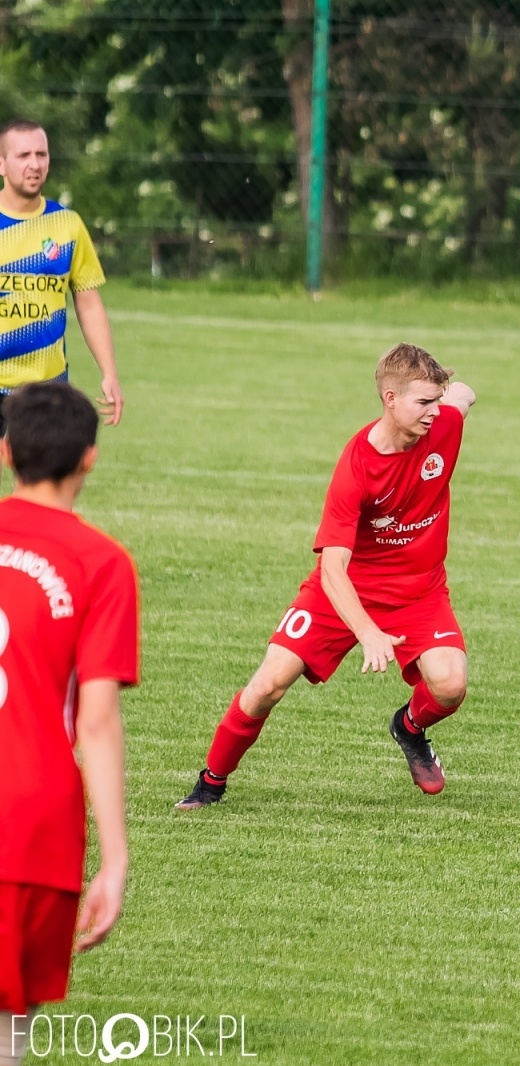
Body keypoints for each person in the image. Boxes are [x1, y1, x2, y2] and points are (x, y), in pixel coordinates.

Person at [175, 344, 475, 809]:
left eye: (438, 400)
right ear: (389, 399)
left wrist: (450, 392)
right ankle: (211, 783)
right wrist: (368, 632)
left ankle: (409, 727)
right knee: (267, 686)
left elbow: (464, 395)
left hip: (419, 592)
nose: (435, 412)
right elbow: (333, 569)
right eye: (423, 403)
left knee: (451, 684)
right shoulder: (356, 467)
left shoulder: (445, 423)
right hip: (342, 591)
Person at [0, 383, 139, 1066]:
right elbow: (99, 718)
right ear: (89, 459)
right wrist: (114, 860)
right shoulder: (101, 563)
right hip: (29, 826)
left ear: (5, 453)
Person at [0, 119, 124, 431]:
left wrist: (109, 372)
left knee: (46, 480)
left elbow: (88, 302)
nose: (34, 164)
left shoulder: (67, 225)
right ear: (1, 164)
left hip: (47, 388)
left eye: (41, 155)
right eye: (23, 155)